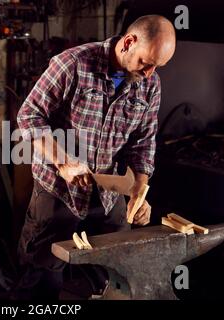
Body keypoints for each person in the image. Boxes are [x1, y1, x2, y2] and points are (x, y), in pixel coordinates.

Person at [15, 15, 176, 299]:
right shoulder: (73, 64)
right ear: (128, 43)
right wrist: (64, 162)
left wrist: (140, 189)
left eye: (156, 67)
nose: (150, 72)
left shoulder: (150, 84)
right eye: (145, 63)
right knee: (41, 279)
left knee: (119, 274)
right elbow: (29, 116)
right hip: (58, 191)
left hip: (107, 194)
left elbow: (143, 142)